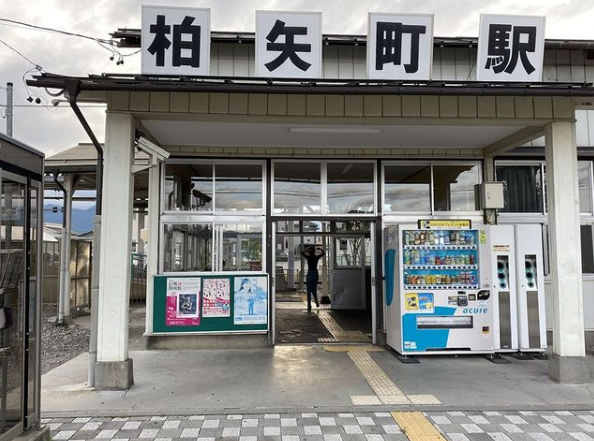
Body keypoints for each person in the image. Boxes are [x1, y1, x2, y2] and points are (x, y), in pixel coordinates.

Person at [300, 245, 325, 312]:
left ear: (309, 252)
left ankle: (309, 307)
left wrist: (306, 250)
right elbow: (323, 253)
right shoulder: (316, 257)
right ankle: (316, 301)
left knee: (309, 290)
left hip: (310, 273)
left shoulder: (308, 257)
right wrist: (320, 249)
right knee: (314, 289)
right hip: (315, 273)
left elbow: (301, 252)